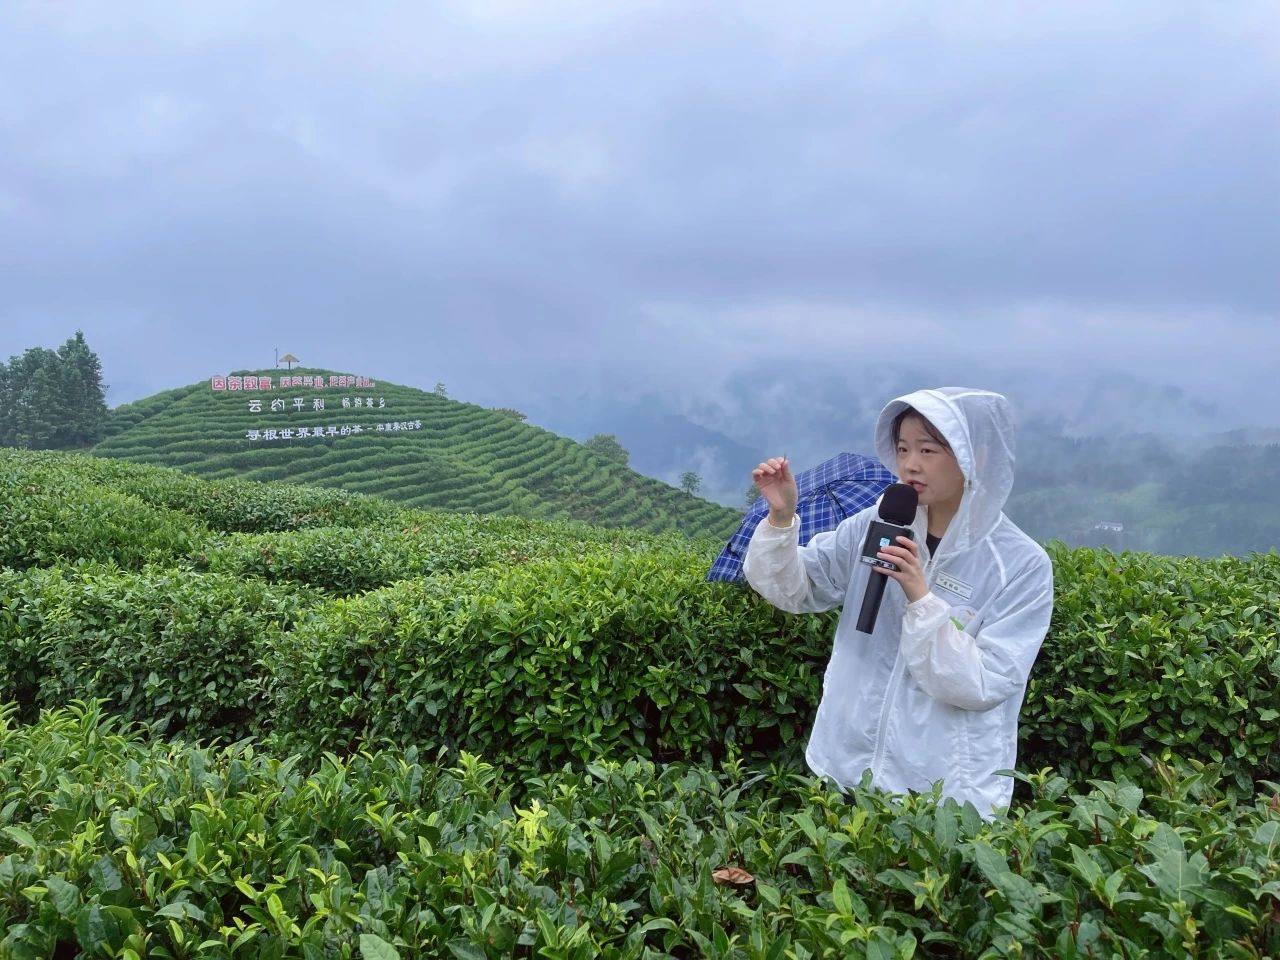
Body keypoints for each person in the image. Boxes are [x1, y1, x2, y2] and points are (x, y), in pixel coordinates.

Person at [743, 387, 1053, 817]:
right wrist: (780, 518)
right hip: (844, 766)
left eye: (928, 450)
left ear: (975, 457)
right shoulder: (879, 522)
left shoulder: (1019, 564)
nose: (910, 464)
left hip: (941, 793)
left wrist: (921, 598)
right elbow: (799, 588)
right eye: (903, 448)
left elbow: (987, 682)